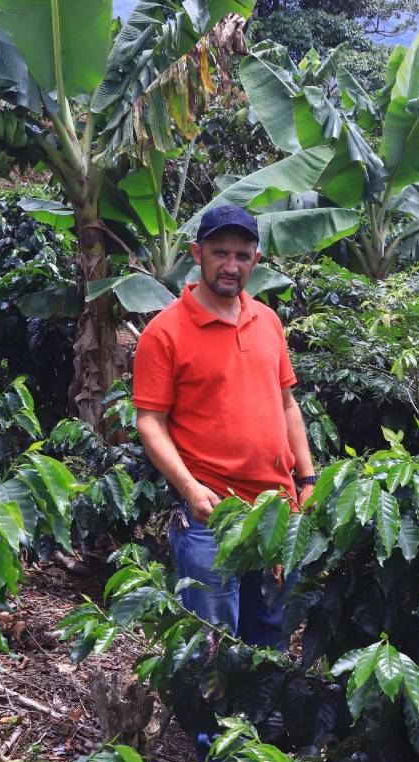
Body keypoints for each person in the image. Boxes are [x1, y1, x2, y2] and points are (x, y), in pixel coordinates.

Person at [132, 205, 316, 650]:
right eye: (220, 253)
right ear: (197, 254)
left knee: (269, 638)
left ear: (256, 260)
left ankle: (261, 701)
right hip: (209, 516)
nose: (231, 266)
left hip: (277, 511)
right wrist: (190, 488)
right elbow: (150, 422)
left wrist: (308, 479)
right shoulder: (164, 332)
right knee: (213, 645)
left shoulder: (268, 321)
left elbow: (287, 404)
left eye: (242, 255)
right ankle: (210, 704)